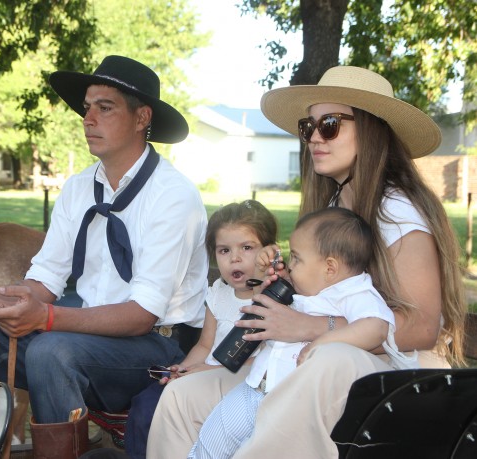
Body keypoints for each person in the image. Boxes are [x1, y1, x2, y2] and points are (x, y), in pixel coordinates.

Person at [147, 65, 466, 459]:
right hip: (308, 363)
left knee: (328, 358)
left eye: (329, 124)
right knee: (183, 397)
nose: (314, 137)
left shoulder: (398, 212)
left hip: (391, 376)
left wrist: (308, 327)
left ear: (371, 128)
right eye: (308, 126)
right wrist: (281, 284)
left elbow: (422, 329)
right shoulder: (332, 207)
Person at [0, 55, 208, 458]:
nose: (88, 118)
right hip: (89, 339)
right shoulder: (78, 189)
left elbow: (143, 314)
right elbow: (44, 283)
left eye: (104, 107)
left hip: (158, 349)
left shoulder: (173, 196)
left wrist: (49, 320)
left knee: (51, 350)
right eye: (86, 107)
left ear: (142, 117)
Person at [188, 206, 417, 458]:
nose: (291, 265)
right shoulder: (308, 287)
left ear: (329, 268)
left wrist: (322, 342)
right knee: (211, 441)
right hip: (255, 387)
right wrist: (271, 276)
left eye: (296, 258)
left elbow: (375, 327)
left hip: (289, 402)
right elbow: (263, 307)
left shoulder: (355, 292)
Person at [125, 200, 278, 458]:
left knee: (171, 406)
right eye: (224, 250)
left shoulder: (271, 297)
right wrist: (183, 369)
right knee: (145, 404)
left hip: (237, 382)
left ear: (268, 252)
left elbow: (256, 358)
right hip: (203, 373)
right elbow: (205, 345)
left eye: (247, 248)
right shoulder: (219, 292)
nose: (235, 258)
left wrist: (203, 371)